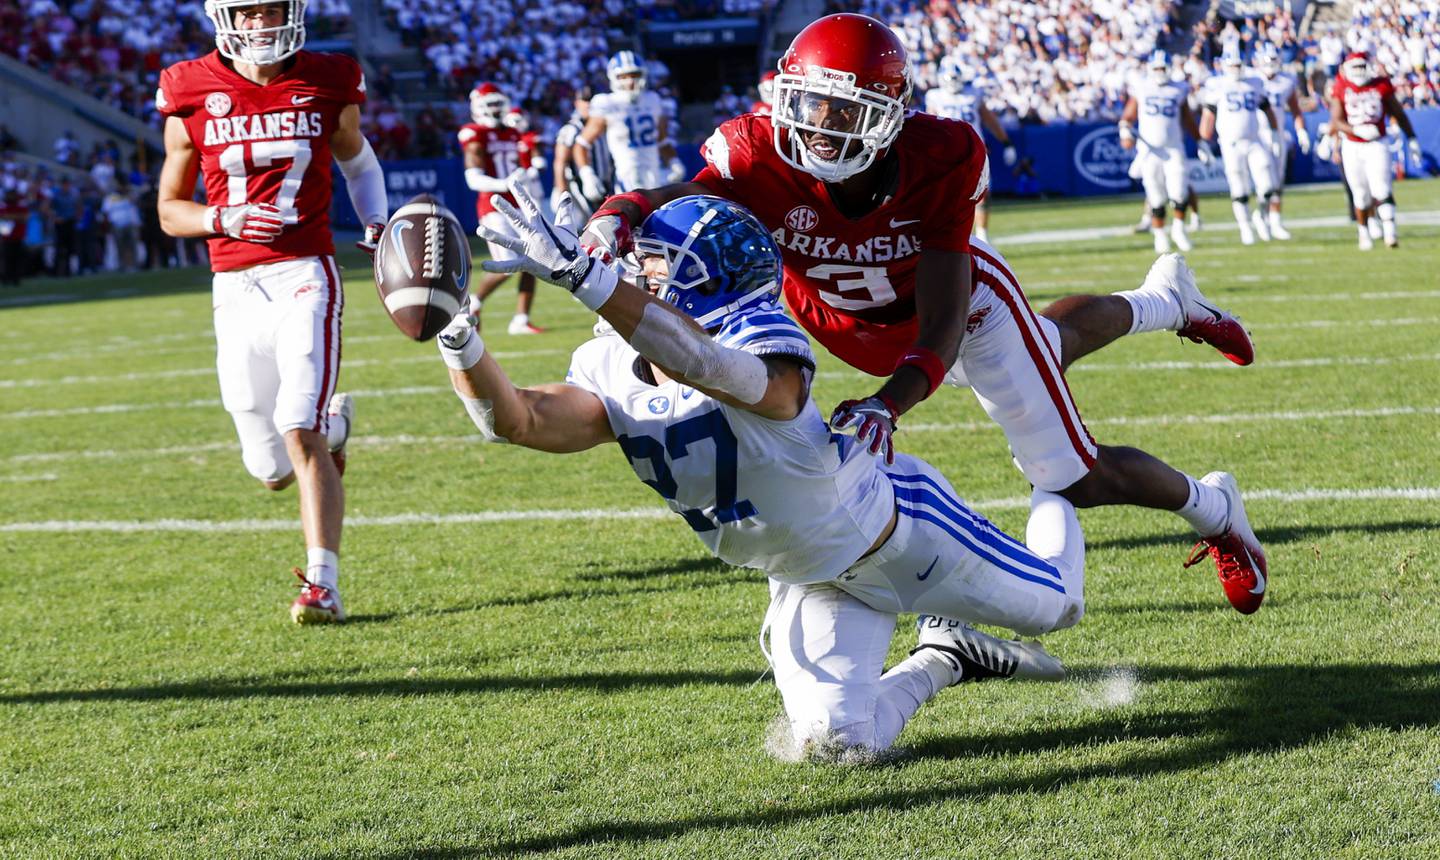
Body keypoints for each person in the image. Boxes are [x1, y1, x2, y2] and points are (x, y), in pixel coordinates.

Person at [581, 14, 1271, 616]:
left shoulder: (940, 154)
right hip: (838, 321)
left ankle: (1216, 512)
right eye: (809, 104)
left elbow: (940, 321)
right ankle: (1167, 301)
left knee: (1071, 476)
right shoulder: (756, 148)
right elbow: (692, 196)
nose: (819, 128)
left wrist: (889, 404)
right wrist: (620, 213)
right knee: (1049, 344)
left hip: (964, 311)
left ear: (887, 112)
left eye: (842, 111)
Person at [454, 186, 1076, 759]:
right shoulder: (610, 365)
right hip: (808, 577)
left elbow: (710, 364)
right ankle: (944, 655)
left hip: (903, 536)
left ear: (707, 279)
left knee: (1059, 606)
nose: (636, 272)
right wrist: (458, 337)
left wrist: (589, 280)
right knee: (837, 745)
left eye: (656, 263)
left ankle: (1055, 478)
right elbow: (520, 422)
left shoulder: (763, 336)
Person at [155, 0, 388, 624]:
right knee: (268, 468)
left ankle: (323, 585)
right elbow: (169, 209)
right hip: (231, 287)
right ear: (227, 19)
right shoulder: (188, 87)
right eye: (249, 12)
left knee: (297, 427)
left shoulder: (327, 77)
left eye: (272, 9)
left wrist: (375, 219)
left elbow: (357, 160)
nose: (262, 23)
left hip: (303, 274)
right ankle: (335, 429)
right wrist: (220, 217)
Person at [459, 82, 545, 335]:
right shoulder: (475, 134)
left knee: (534, 260)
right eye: (490, 104)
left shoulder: (513, 132)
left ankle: (520, 319)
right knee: (507, 264)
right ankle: (472, 303)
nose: (496, 109)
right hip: (494, 206)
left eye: (499, 103)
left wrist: (526, 174)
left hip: (519, 205)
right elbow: (473, 179)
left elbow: (524, 164)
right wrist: (504, 183)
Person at [1329, 51, 1423, 250]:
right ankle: (1364, 233)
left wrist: (1412, 138)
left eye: (1362, 67)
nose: (1359, 72)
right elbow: (1336, 121)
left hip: (1377, 142)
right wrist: (1355, 130)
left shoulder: (1381, 84)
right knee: (1361, 194)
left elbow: (1398, 112)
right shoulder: (1341, 87)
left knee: (1382, 187)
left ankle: (1391, 233)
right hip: (1352, 144)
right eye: (1355, 67)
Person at [923, 56, 1017, 243]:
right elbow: (929, 124)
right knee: (948, 197)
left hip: (975, 151)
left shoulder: (973, 94)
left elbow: (989, 119)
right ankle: (949, 237)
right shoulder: (934, 96)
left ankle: (982, 237)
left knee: (982, 194)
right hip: (947, 155)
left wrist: (1006, 142)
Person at [1118, 51, 1203, 253]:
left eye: (1162, 68)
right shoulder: (1142, 88)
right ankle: (1160, 236)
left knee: (1179, 191)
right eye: (1156, 68)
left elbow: (1187, 118)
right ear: (1150, 69)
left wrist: (1201, 142)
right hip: (1150, 151)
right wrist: (1125, 131)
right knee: (1155, 196)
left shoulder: (1178, 89)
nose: (1160, 72)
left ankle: (1179, 230)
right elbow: (1127, 116)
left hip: (1173, 148)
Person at [574, 51, 685, 196]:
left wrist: (674, 161)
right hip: (624, 177)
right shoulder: (607, 102)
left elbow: (662, 140)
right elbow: (581, 144)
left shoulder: (652, 99)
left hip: (655, 175)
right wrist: (587, 175)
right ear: (613, 77)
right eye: (623, 76)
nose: (630, 81)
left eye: (634, 75)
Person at [1199, 49, 1281, 246]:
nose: (1236, 69)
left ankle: (1261, 215)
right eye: (1232, 65)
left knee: (1268, 184)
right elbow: (1208, 115)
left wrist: (1275, 133)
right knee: (1239, 186)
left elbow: (1267, 109)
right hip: (1230, 144)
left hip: (1254, 140)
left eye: (1238, 65)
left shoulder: (1254, 82)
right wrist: (1203, 142)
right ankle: (1244, 226)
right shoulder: (1217, 85)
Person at [1255, 43, 1311, 240]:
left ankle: (1275, 220)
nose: (1271, 64)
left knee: (1278, 180)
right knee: (1265, 182)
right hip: (1256, 137)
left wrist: (1301, 131)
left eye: (1273, 60)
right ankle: (1260, 215)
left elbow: (1295, 109)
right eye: (1267, 60)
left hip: (1277, 134)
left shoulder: (1286, 81)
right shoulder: (1252, 80)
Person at [551, 86, 612, 218]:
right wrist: (561, 191)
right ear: (577, 103)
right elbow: (560, 162)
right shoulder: (571, 129)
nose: (588, 104)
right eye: (585, 100)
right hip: (582, 184)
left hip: (608, 181)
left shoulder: (604, 125)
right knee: (595, 222)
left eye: (591, 100)